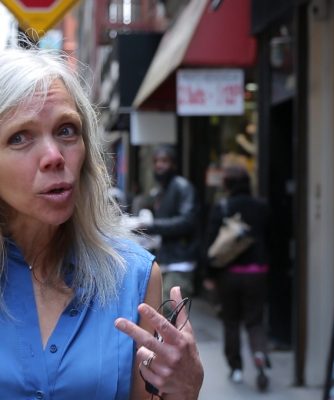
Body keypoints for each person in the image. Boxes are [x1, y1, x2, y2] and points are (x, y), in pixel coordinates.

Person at [0, 45, 203, 400]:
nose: (53, 156)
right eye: (20, 137)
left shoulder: (134, 277)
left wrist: (182, 391)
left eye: (66, 131)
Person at [206, 164, 271, 392]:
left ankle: (236, 368)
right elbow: (272, 238)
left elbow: (212, 244)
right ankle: (260, 356)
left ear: (227, 185)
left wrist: (210, 275)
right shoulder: (262, 207)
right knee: (255, 320)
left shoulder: (222, 207)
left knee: (230, 321)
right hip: (257, 273)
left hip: (229, 275)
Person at [140, 145, 200, 302]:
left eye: (164, 161)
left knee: (171, 311)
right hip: (165, 261)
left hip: (180, 262)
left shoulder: (182, 186)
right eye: (156, 161)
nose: (159, 165)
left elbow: (187, 221)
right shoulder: (161, 191)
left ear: (173, 164)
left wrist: (151, 226)